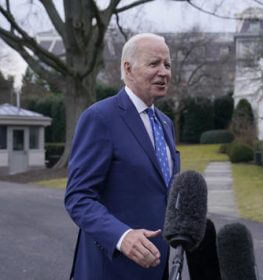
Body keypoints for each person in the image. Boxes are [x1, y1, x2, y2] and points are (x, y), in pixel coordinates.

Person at [64, 33, 180, 280]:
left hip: (157, 268)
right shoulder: (100, 118)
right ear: (128, 68)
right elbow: (78, 197)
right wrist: (122, 236)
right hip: (110, 269)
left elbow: (163, 191)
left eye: (167, 65)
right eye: (154, 64)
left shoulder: (166, 124)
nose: (164, 72)